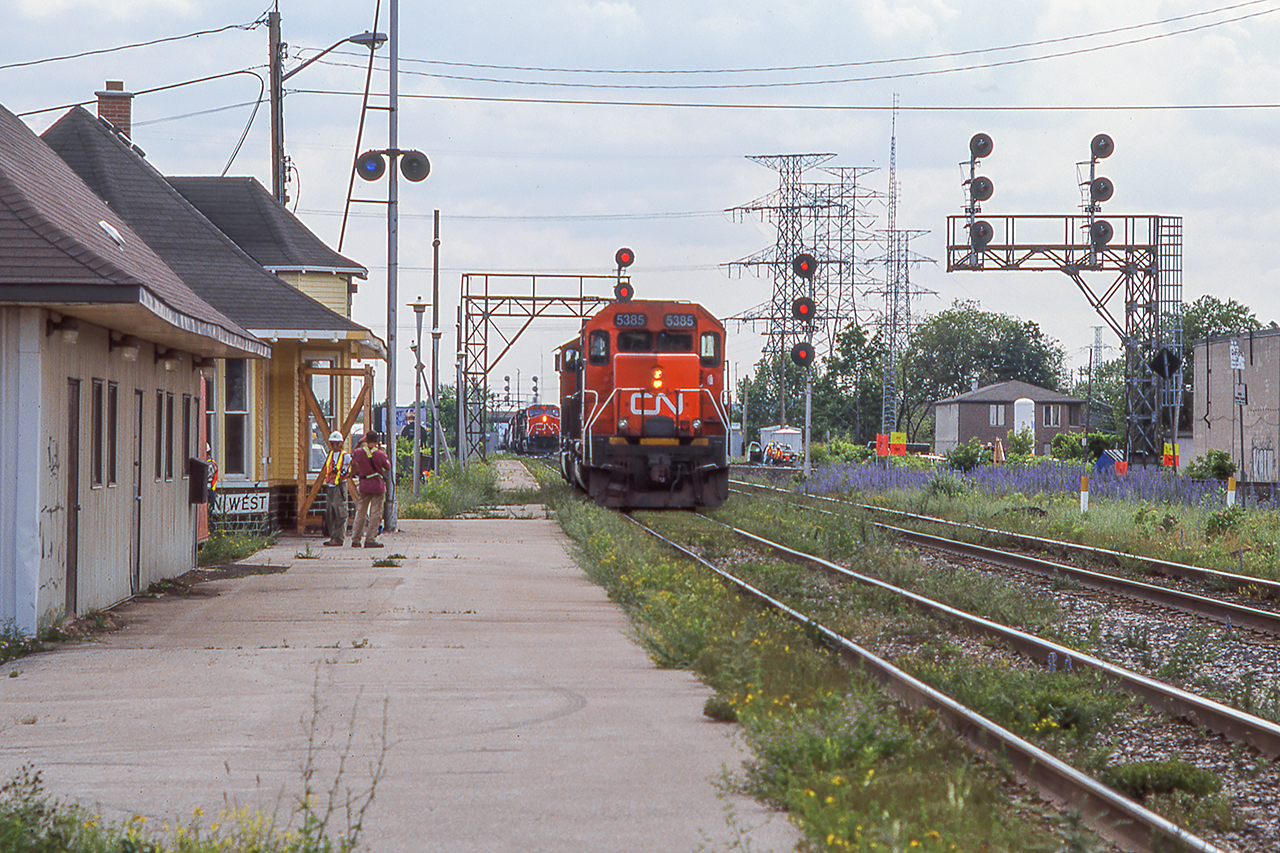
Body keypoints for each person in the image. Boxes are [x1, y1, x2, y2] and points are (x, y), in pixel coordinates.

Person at [350, 431, 391, 548]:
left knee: (360, 513)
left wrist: (359, 443)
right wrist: (380, 450)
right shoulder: (380, 454)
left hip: (364, 485)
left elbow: (351, 455)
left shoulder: (359, 452)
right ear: (377, 441)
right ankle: (370, 539)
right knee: (375, 513)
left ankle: (356, 539)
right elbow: (387, 466)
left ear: (366, 440)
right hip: (377, 485)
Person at [321, 430, 350, 546]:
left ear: (341, 444)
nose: (334, 446)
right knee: (330, 513)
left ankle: (339, 539)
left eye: (336, 443)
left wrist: (347, 474)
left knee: (340, 513)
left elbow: (354, 465)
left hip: (340, 486)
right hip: (331, 486)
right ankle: (333, 537)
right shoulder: (330, 455)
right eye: (332, 443)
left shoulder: (345, 456)